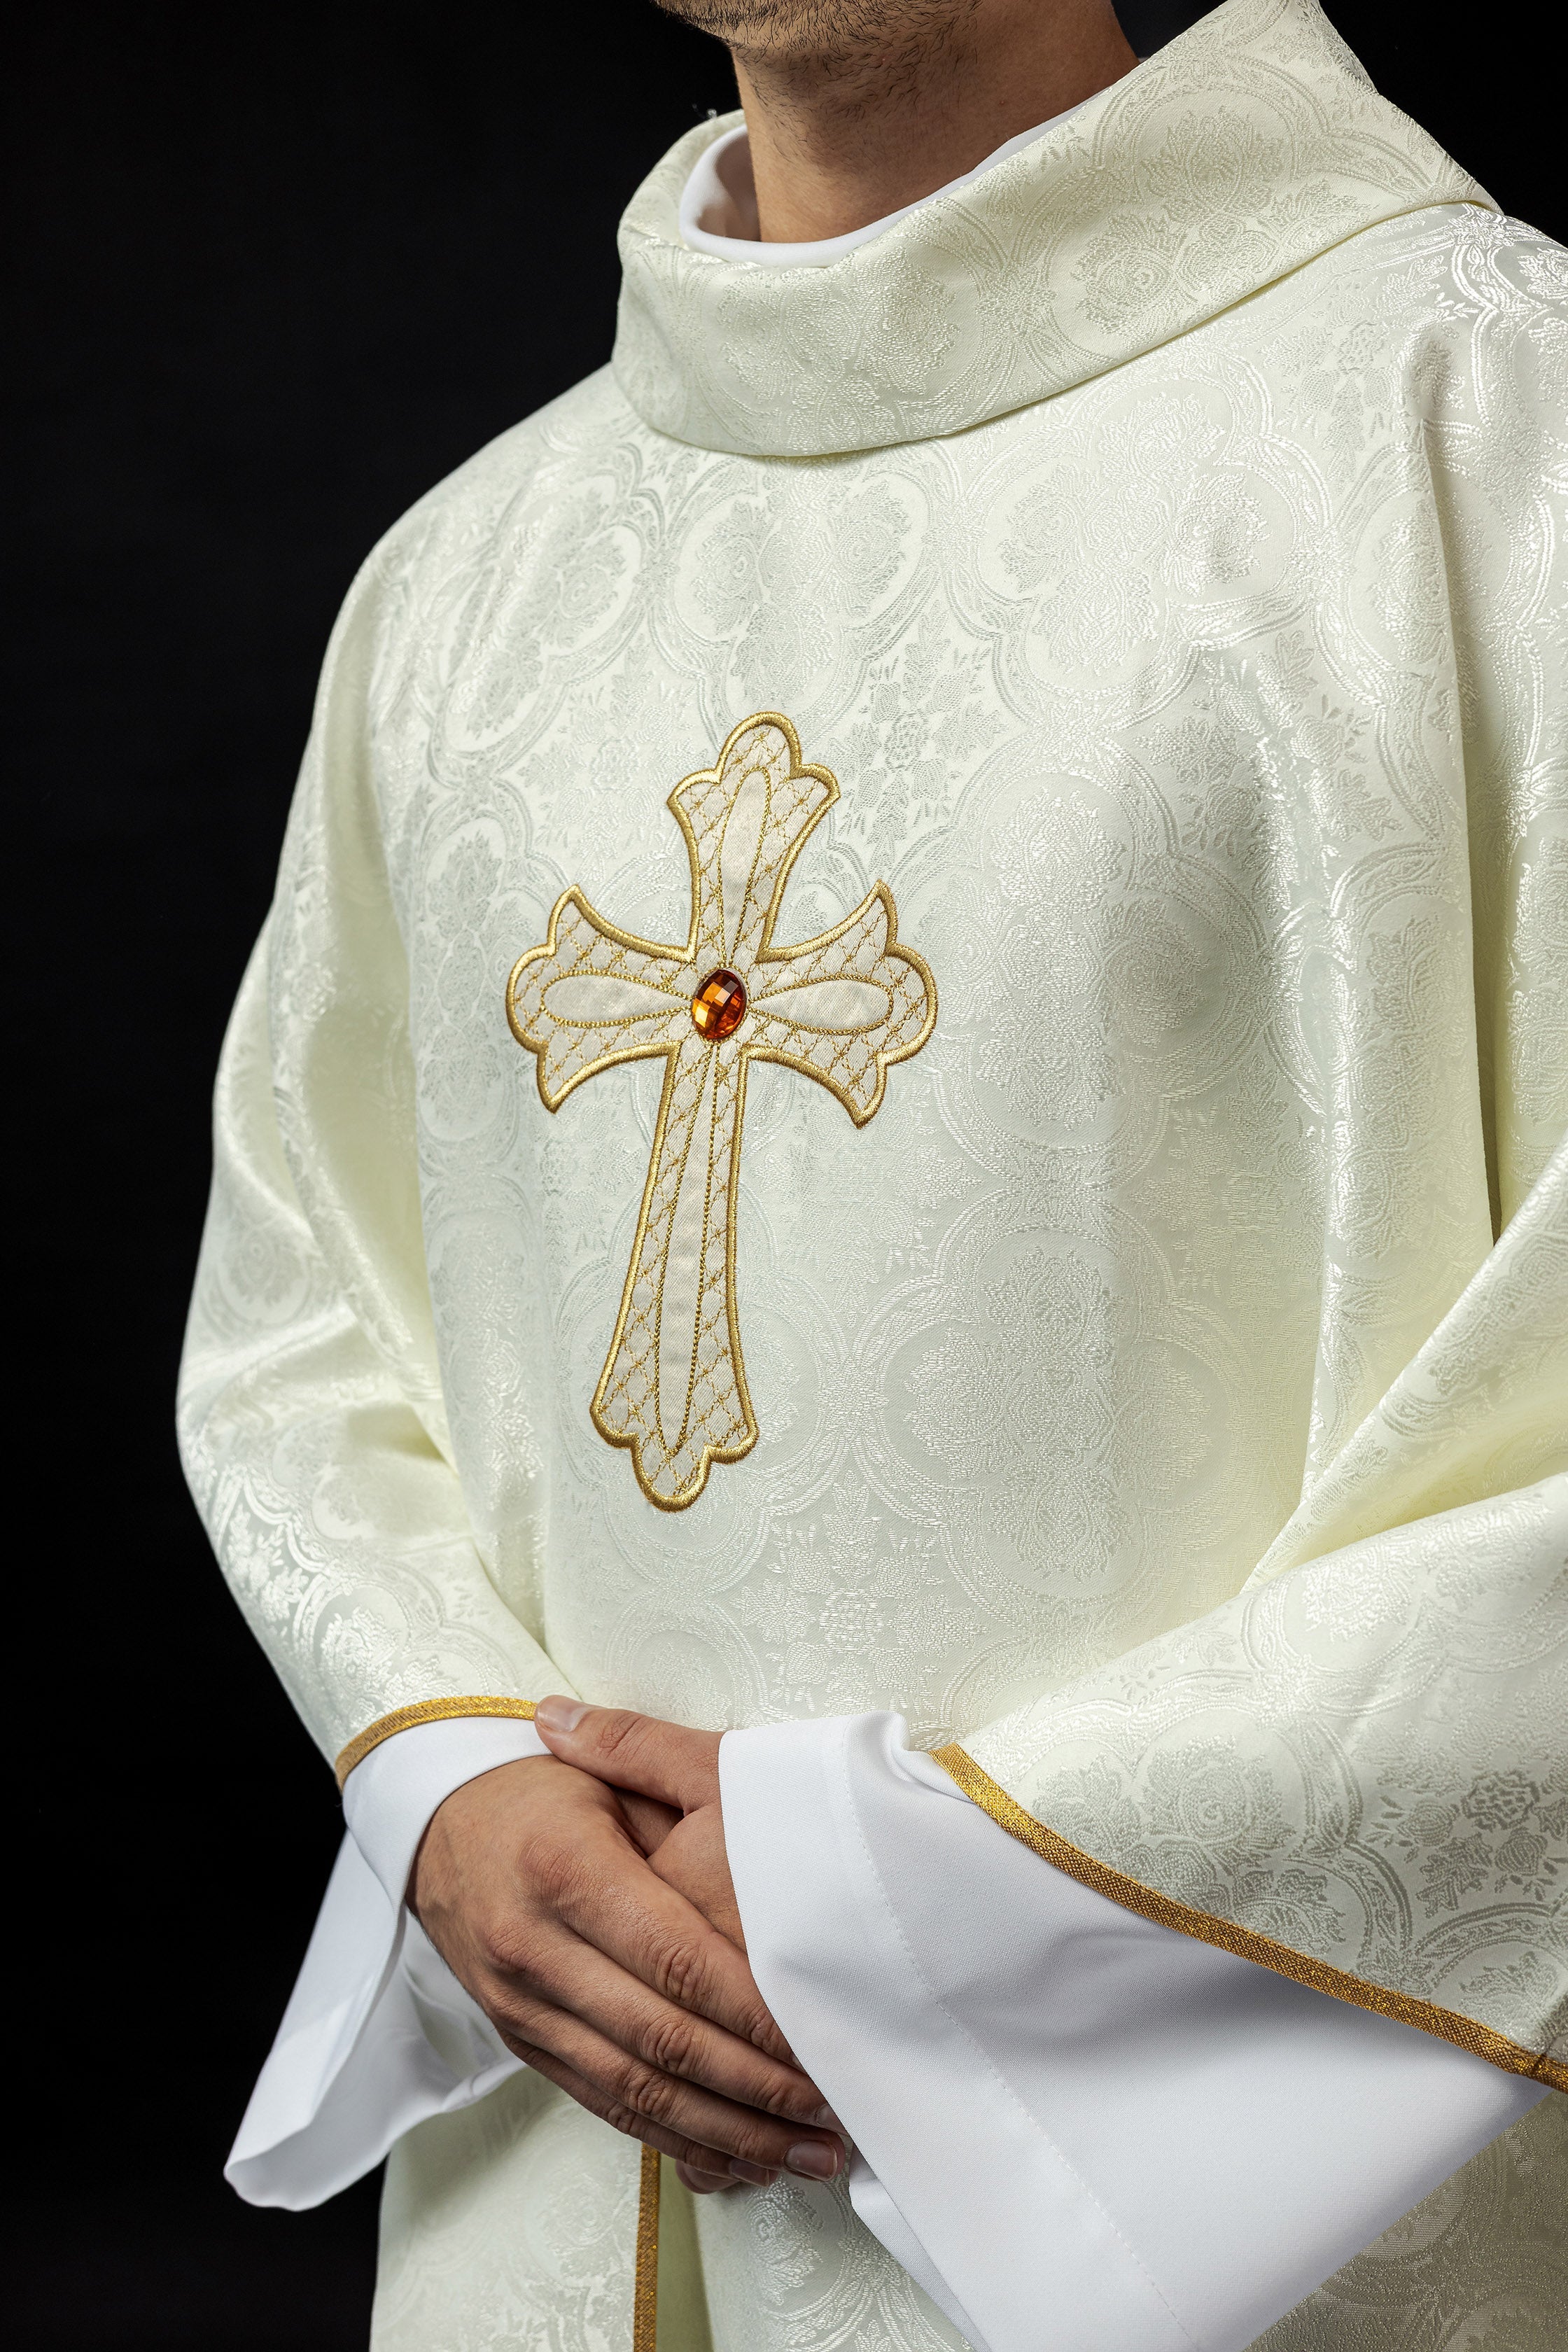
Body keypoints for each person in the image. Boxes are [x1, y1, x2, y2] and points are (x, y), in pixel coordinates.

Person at [178, 0, 1568, 2345]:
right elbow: (306, 1302)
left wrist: (940, 1905)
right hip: (559, 2154)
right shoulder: (473, 577)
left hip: (1203, 2192)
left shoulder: (1486, 427)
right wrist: (437, 1770)